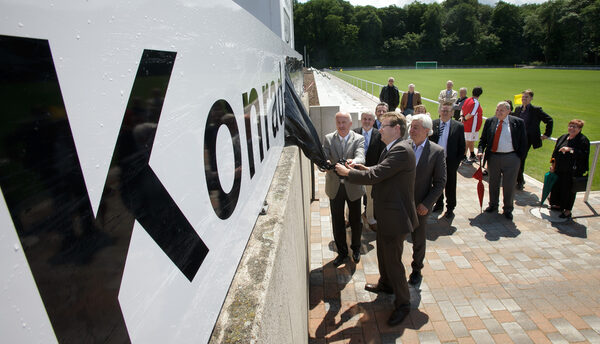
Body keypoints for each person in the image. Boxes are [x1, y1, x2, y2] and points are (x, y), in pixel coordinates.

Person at [335, 112, 418, 327]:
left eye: (384, 126)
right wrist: (364, 168)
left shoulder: (401, 150)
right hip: (387, 214)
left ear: (397, 128)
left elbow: (376, 177)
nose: (379, 129)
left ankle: (403, 303)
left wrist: (347, 173)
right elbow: (380, 172)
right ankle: (385, 284)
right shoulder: (392, 148)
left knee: (393, 260)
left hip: (396, 216)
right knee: (383, 252)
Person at [407, 114, 446, 285]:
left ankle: (417, 269)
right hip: (399, 203)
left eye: (415, 127)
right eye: (411, 126)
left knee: (418, 239)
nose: (411, 130)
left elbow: (440, 182)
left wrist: (427, 203)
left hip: (419, 206)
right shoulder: (403, 146)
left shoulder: (437, 152)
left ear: (427, 131)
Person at [323, 112, 366, 266]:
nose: (341, 126)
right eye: (338, 122)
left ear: (350, 124)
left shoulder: (359, 138)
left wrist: (353, 162)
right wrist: (326, 163)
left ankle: (355, 248)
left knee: (356, 220)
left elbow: (361, 156)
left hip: (353, 186)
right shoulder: (328, 138)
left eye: (344, 122)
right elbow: (324, 157)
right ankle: (342, 252)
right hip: (334, 187)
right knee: (337, 220)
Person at [477, 101, 527, 220]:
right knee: (493, 183)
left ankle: (508, 209)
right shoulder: (490, 121)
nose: (498, 112)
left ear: (508, 111)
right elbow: (483, 139)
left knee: (509, 185)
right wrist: (480, 150)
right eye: (497, 110)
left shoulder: (517, 123)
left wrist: (518, 158)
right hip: (494, 157)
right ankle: (493, 205)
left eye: (501, 110)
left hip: (511, 158)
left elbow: (524, 142)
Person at [431, 102, 465, 219]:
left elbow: (462, 146)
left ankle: (450, 207)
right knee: (436, 183)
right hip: (435, 161)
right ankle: (438, 203)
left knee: (450, 185)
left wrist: (456, 162)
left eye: (448, 111)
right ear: (439, 111)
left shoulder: (458, 126)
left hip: (450, 161)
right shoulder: (433, 124)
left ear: (452, 113)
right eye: (443, 110)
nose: (445, 113)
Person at [513, 89, 553, 190]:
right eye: (523, 97)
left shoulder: (536, 110)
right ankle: (518, 179)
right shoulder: (518, 109)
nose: (524, 99)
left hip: (527, 140)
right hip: (516, 138)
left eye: (526, 97)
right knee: (515, 158)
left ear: (531, 98)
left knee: (520, 159)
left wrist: (546, 134)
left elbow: (549, 120)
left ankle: (520, 181)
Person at [549, 120, 590, 219]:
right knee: (558, 187)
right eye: (570, 126)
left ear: (580, 129)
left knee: (569, 191)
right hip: (559, 168)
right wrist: (552, 165)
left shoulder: (583, 140)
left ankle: (567, 211)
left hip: (572, 171)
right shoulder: (563, 137)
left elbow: (584, 155)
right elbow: (555, 152)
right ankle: (558, 205)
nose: (572, 128)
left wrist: (570, 150)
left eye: (575, 127)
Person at [353, 110, 384, 230]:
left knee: (371, 198)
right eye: (364, 119)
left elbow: (382, 154)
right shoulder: (354, 133)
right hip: (356, 171)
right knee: (353, 196)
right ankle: (349, 218)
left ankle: (370, 218)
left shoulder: (380, 135)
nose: (367, 121)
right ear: (361, 120)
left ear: (373, 121)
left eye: (369, 119)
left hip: (371, 172)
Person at [461, 86, 483, 164]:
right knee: (468, 141)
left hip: (468, 125)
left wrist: (462, 118)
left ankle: (472, 154)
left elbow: (462, 109)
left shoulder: (468, 99)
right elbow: (471, 114)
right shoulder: (475, 102)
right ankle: (463, 157)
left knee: (471, 140)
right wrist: (465, 119)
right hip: (471, 126)